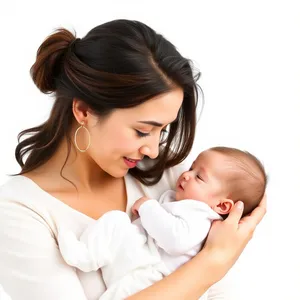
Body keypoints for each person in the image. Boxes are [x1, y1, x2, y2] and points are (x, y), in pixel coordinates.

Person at [0, 19, 266, 300]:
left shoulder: (173, 179)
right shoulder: (20, 212)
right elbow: (212, 273)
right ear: (84, 111)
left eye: (162, 130)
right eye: (142, 131)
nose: (153, 150)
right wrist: (214, 260)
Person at [57, 146, 267, 300]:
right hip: (144, 259)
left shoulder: (201, 217)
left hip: (156, 276)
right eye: (192, 168)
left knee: (120, 287)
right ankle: (87, 254)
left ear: (222, 207)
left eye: (199, 177)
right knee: (116, 221)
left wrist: (149, 208)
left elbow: (176, 239)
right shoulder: (183, 200)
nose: (186, 175)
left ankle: (86, 254)